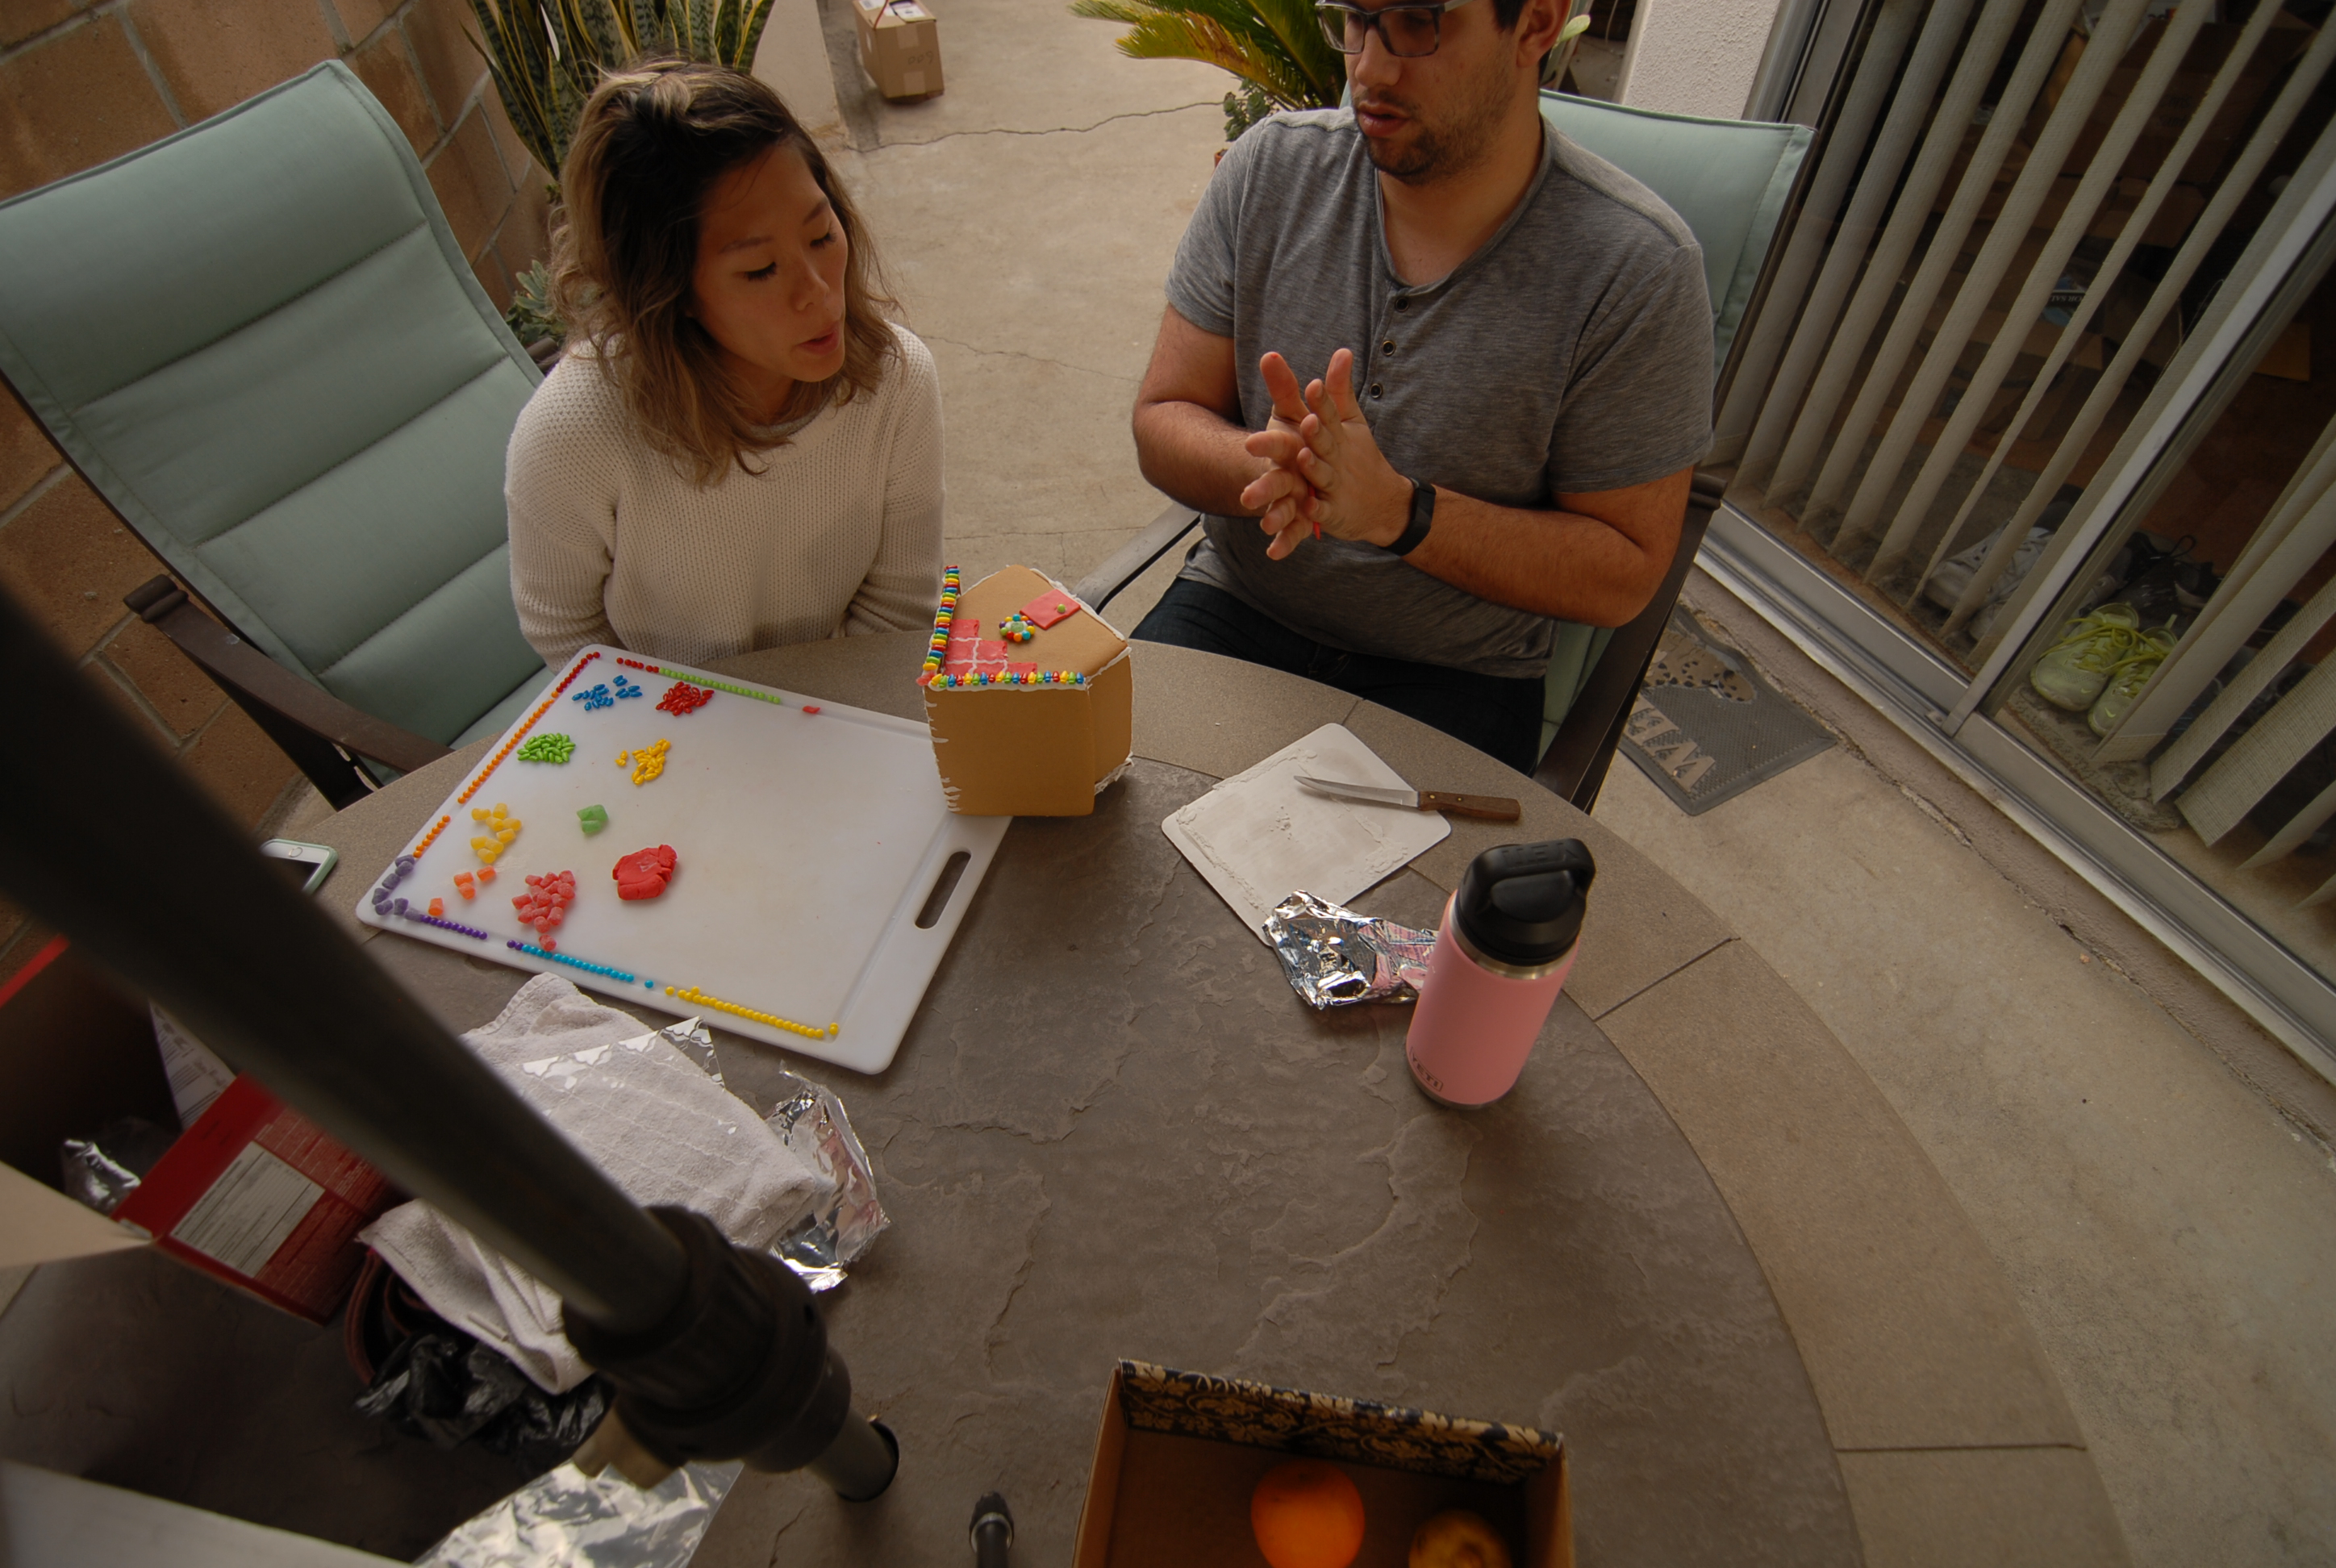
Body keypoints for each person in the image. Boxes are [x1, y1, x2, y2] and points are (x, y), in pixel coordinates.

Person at [1128, 0, 1713, 774]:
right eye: (1354, 18)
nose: (1369, 67)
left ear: (1536, 25)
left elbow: (1623, 574)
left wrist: (1397, 513)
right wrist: (1270, 468)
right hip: (1235, 608)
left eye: (1416, 21)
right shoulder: (1270, 171)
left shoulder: (1636, 271)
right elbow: (1164, 415)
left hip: (1454, 676)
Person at [507, 60, 943, 669]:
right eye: (760, 270)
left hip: (843, 705)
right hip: (665, 717)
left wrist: (809, 718)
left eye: (821, 236)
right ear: (669, 289)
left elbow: (898, 611)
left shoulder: (898, 379)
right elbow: (565, 633)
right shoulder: (571, 434)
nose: (818, 293)